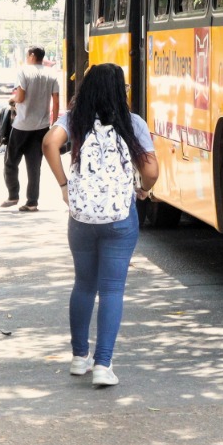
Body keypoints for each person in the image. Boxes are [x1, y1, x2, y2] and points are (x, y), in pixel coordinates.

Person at [43, 63, 159, 388]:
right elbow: (150, 171)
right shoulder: (132, 123)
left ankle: (79, 357)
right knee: (111, 290)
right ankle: (103, 365)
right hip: (120, 216)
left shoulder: (73, 119)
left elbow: (49, 144)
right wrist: (144, 190)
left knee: (84, 284)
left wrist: (64, 186)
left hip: (81, 216)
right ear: (121, 91)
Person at [3, 46, 61, 211]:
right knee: (34, 166)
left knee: (11, 162)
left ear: (32, 56)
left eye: (27, 54)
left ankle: (13, 195)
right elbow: (56, 102)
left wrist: (12, 100)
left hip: (22, 125)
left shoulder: (24, 71)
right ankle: (32, 202)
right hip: (42, 127)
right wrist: (54, 124)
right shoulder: (51, 73)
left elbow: (20, 97)